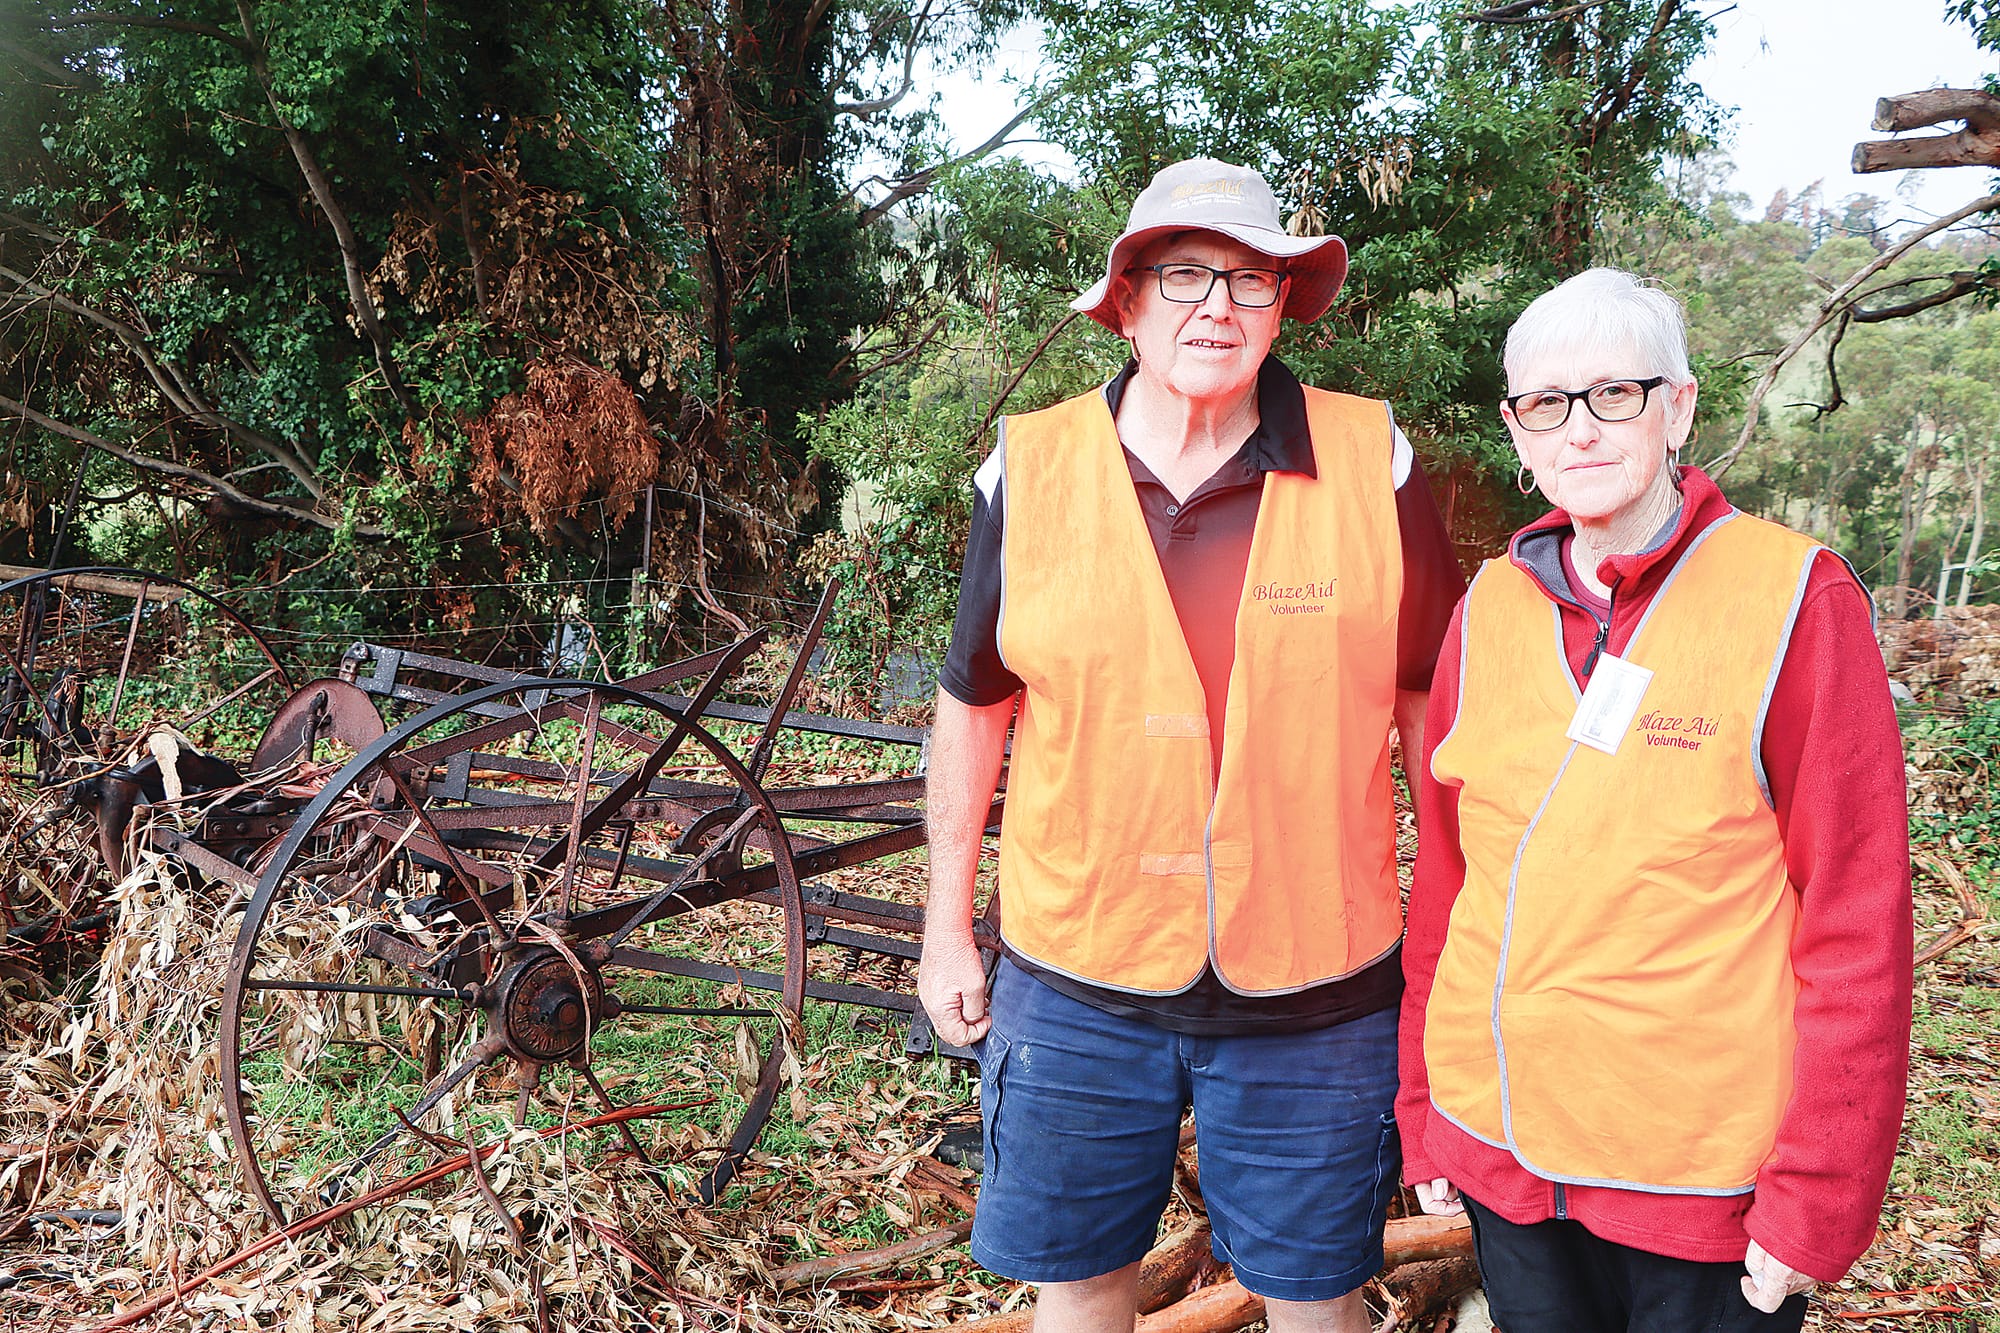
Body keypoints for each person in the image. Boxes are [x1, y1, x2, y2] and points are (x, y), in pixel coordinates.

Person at [918, 157, 1464, 1333]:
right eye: (1182, 275)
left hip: (1318, 977)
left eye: (1251, 279)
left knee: (1317, 1290)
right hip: (1077, 965)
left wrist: (1452, 945)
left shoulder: (1375, 462)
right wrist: (942, 929)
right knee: (1077, 1284)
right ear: (1123, 301)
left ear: (1281, 309)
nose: (1217, 304)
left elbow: (1436, 712)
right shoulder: (1030, 465)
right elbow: (973, 704)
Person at [1397, 267, 1913, 1333]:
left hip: (1697, 1178)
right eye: (1546, 403)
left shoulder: (1791, 599)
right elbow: (1447, 884)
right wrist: (1424, 1111)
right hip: (1505, 1151)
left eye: (1613, 395)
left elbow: (1856, 915)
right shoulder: (1487, 607)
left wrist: (1818, 1188)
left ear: (1675, 406)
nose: (1578, 431)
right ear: (1514, 427)